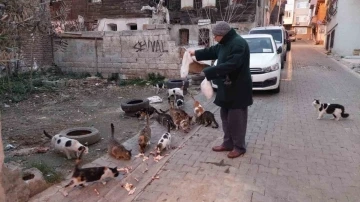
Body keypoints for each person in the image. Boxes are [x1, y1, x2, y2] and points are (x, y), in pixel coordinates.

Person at [189, 21, 253, 158]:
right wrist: (195, 53)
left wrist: (209, 71)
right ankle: (228, 143)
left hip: (238, 89)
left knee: (237, 120)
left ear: (223, 35)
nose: (214, 38)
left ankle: (239, 147)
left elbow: (232, 64)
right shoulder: (224, 43)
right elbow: (212, 51)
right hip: (226, 87)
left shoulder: (238, 44)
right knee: (225, 118)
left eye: (216, 36)